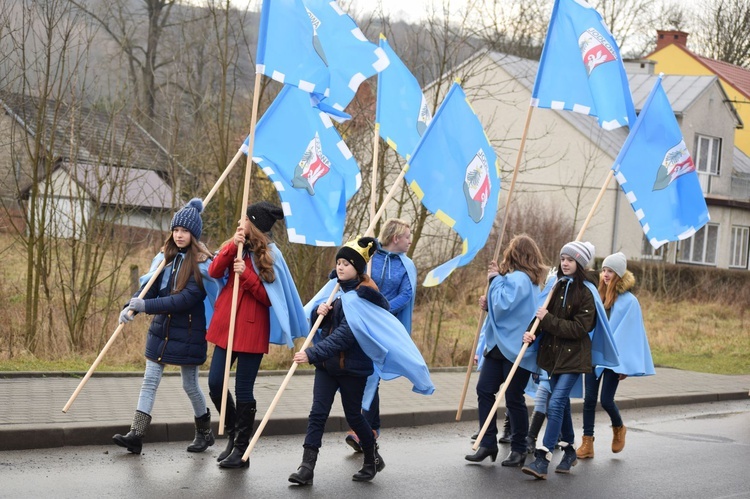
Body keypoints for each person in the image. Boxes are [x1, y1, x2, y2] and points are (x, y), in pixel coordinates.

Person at [113, 198, 218, 455]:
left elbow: (184, 300)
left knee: (190, 385)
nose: (179, 235)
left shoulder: (202, 265)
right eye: (176, 230)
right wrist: (131, 306)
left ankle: (204, 432)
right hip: (162, 330)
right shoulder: (164, 258)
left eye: (184, 231)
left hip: (189, 333)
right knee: (149, 380)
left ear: (194, 234)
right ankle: (136, 435)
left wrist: (145, 306)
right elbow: (148, 289)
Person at [206, 201, 307, 469]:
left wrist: (247, 277)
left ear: (255, 225)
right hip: (226, 326)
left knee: (243, 389)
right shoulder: (235, 246)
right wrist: (231, 247)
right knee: (216, 384)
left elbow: (271, 298)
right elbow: (214, 270)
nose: (241, 223)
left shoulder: (271, 254)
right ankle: (233, 432)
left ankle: (242, 449)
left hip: (251, 328)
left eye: (245, 220)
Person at [289, 236, 387, 485]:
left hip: (353, 368)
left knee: (354, 416)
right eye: (339, 262)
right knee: (317, 414)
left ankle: (371, 458)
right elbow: (322, 328)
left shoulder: (365, 297)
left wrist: (311, 354)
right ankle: (306, 467)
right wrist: (318, 312)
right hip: (327, 367)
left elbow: (345, 336)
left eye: (346, 263)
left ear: (358, 268)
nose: (341, 267)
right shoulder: (335, 289)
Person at [521, 241, 618, 480]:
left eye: (570, 260)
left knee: (554, 403)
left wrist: (548, 319)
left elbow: (580, 328)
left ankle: (542, 458)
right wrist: (531, 333)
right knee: (561, 405)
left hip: (574, 358)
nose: (565, 263)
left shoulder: (587, 292)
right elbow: (542, 318)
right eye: (563, 258)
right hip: (552, 356)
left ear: (580, 264)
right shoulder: (557, 286)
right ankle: (569, 451)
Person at [464, 234, 547, 468]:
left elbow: (502, 306)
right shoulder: (521, 279)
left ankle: (519, 447)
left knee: (512, 397)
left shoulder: (520, 279)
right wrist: (489, 301)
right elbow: (502, 309)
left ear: (515, 254)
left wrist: (494, 280)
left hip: (513, 348)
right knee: (487, 390)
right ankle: (487, 441)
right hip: (501, 345)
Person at [346, 218, 417, 452]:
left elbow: (407, 293)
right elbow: (351, 275)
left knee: (372, 374)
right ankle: (371, 428)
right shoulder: (370, 254)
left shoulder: (406, 265)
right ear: (396, 238)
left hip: (385, 325)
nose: (410, 241)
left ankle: (364, 430)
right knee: (365, 374)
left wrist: (383, 308)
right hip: (361, 322)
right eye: (407, 236)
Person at [577, 252, 655, 459]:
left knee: (606, 400)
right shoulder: (597, 296)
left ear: (619, 274)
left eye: (610, 271)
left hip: (613, 359)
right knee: (589, 400)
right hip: (594, 356)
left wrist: (624, 366)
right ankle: (587, 444)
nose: (605, 274)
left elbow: (631, 335)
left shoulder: (630, 302)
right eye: (603, 270)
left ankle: (619, 427)